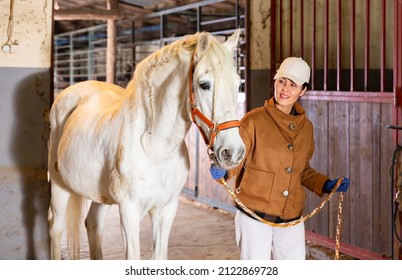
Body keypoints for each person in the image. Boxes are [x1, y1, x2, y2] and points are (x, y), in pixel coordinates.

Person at [210, 57, 350, 260]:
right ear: (274, 82)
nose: (285, 89)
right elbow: (238, 159)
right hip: (254, 216)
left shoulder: (306, 128)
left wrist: (326, 184)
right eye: (281, 81)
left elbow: (302, 170)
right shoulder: (253, 120)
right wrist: (225, 170)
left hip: (291, 218)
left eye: (293, 85)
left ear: (302, 91)